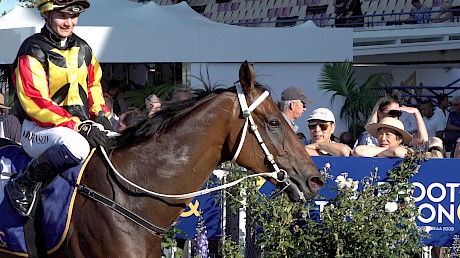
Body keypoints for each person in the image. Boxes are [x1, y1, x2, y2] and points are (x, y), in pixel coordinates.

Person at [7, 0, 112, 217]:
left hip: (78, 126)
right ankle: (23, 183)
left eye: (74, 16)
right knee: (77, 147)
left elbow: (93, 85)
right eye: (62, 16)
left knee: (118, 140)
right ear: (47, 15)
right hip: (38, 129)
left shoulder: (84, 48)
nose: (69, 22)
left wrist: (101, 114)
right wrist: (79, 126)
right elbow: (35, 102)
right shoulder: (32, 49)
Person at [354, 95, 427, 147]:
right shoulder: (367, 137)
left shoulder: (398, 135)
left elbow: (422, 140)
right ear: (379, 113)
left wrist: (416, 113)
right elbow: (359, 153)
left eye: (398, 113)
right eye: (392, 113)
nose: (395, 116)